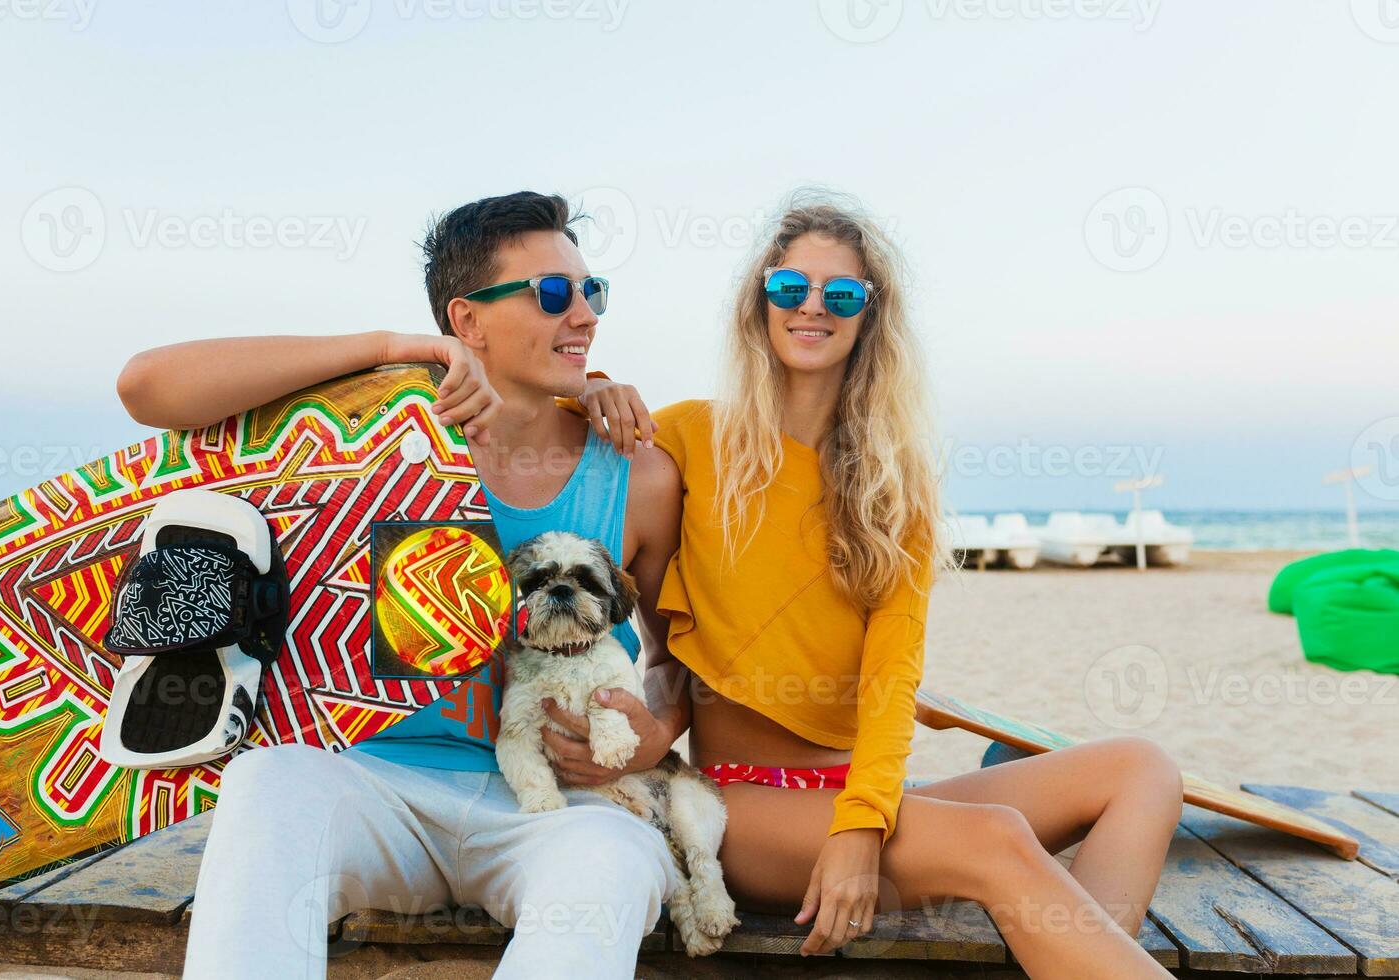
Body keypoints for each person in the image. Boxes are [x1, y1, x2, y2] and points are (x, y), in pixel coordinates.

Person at [542, 191, 1183, 979]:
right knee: (999, 840)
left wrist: (858, 824)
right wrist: (594, 384)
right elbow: (537, 410)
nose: (812, 307)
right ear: (761, 302)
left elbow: (891, 678)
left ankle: (1073, 958)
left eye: (840, 294)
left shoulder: (893, 487)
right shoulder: (689, 435)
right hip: (741, 805)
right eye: (790, 288)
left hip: (860, 796)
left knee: (1140, 767)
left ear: (869, 317)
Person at [116, 191, 692, 980]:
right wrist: (391, 347)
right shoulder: (374, 440)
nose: (585, 314)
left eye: (591, 292)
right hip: (373, 781)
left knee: (610, 867)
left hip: (560, 808)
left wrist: (657, 734)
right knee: (268, 778)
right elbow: (146, 386)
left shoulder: (637, 474)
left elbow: (674, 660)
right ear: (467, 320)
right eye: (553, 294)